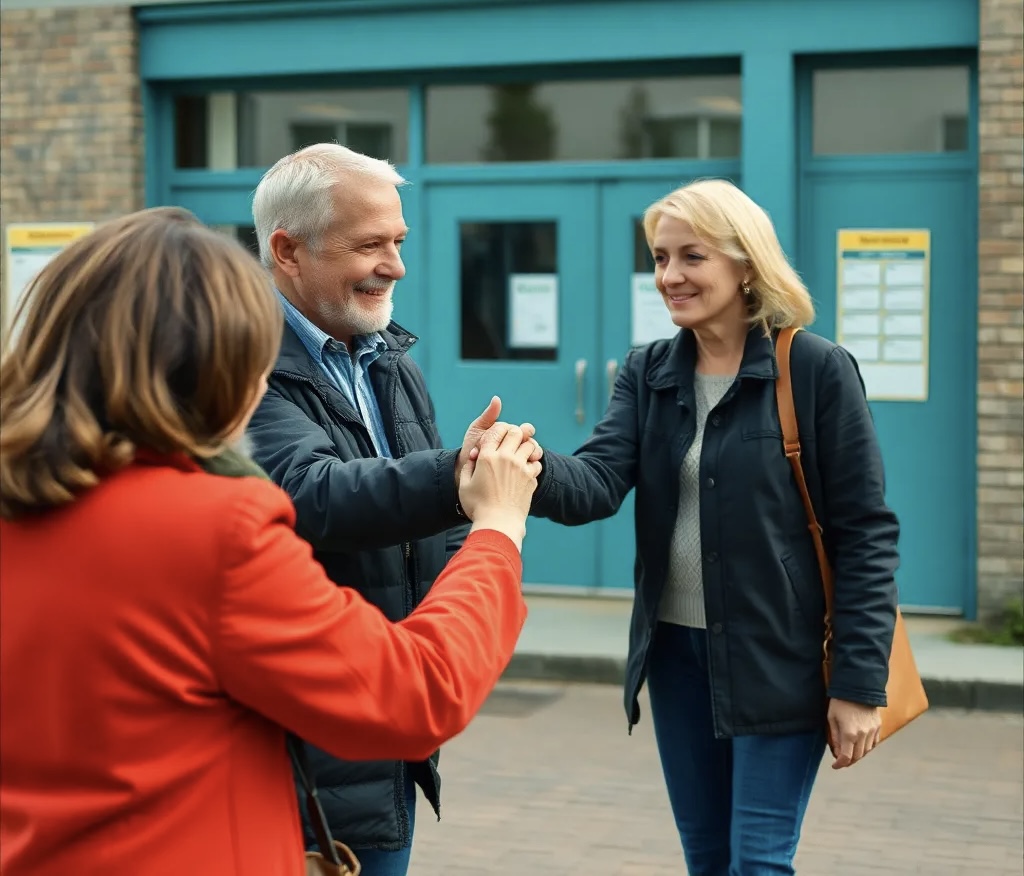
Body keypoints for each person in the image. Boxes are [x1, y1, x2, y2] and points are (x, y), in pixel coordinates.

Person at [0, 207, 540, 875]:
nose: (261, 382)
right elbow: (415, 692)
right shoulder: (212, 528)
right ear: (214, 367)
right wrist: (497, 529)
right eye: (254, 357)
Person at [525, 179, 901, 874]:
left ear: (745, 263)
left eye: (690, 257)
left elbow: (866, 533)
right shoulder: (650, 372)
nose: (669, 276)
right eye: (661, 259)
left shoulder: (814, 369)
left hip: (778, 660)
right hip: (675, 659)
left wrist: (858, 684)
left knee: (756, 862)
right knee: (706, 859)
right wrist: (525, 463)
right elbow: (598, 482)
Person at [245, 142, 541, 875]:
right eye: (371, 245)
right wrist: (464, 479)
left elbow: (424, 530)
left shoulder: (390, 361)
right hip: (302, 749)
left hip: (387, 729)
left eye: (399, 242)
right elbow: (313, 493)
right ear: (288, 250)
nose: (396, 266)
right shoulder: (242, 363)